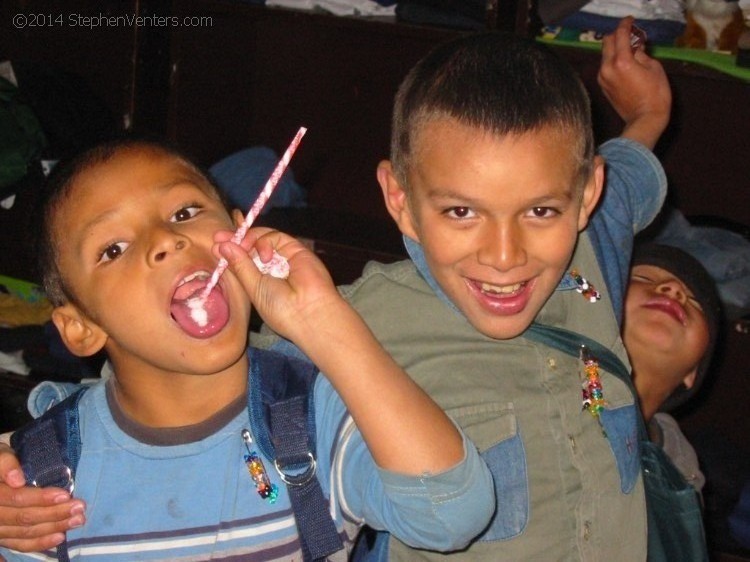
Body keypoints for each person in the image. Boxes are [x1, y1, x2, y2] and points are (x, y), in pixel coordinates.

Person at [0, 16, 671, 560]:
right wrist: (28, 451)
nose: (506, 255)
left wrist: (645, 116)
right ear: (400, 202)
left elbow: (623, 184)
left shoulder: (593, 249)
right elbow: (187, 373)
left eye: (541, 211)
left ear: (583, 199)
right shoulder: (351, 327)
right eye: (461, 211)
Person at [0, 137, 495, 561]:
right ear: (81, 327)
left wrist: (325, 322)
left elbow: (452, 514)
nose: (167, 240)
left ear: (243, 233)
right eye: (113, 248)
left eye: (184, 212)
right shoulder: (44, 478)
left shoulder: (312, 416)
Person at [623, 241, 722, 492]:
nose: (674, 289)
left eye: (695, 303)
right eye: (643, 278)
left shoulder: (681, 483)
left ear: (693, 373)